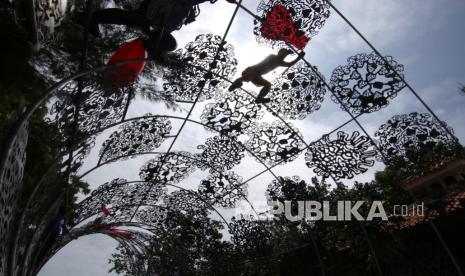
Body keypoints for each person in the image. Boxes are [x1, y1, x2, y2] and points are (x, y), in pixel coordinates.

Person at [229, 48, 305, 103]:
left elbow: (289, 64)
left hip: (258, 75)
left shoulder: (280, 61)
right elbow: (286, 63)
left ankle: (260, 97)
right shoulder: (273, 57)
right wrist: (290, 54)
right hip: (253, 70)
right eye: (283, 54)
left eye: (284, 55)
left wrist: (298, 57)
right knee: (249, 76)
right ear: (280, 53)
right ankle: (236, 83)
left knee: (268, 85)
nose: (284, 56)